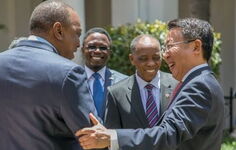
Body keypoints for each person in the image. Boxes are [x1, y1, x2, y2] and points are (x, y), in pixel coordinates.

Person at [76, 18, 225, 150]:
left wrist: (112, 137)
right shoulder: (197, 81)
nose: (165, 55)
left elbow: (168, 133)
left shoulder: (199, 85)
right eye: (164, 48)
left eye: (170, 45)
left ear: (196, 47)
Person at [0, 1, 97, 150]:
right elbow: (93, 138)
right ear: (58, 31)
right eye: (77, 34)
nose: (78, 43)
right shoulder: (69, 73)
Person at [104, 35, 177, 129]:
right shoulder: (116, 93)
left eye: (156, 57)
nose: (151, 63)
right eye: (143, 58)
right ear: (132, 59)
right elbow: (113, 136)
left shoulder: (178, 85)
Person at [81, 27, 127, 120]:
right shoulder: (71, 80)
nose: (97, 51)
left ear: (109, 52)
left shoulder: (124, 82)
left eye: (103, 47)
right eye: (92, 47)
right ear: (82, 50)